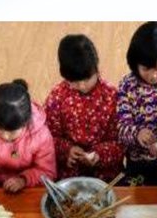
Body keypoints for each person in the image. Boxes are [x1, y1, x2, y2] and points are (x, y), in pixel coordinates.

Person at [44, 34, 123, 181]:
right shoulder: (56, 98)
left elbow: (120, 142)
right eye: (74, 81)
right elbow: (46, 138)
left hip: (106, 175)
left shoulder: (112, 96)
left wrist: (99, 155)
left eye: (87, 79)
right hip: (69, 175)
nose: (82, 86)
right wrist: (66, 151)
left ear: (96, 69)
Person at [116, 22, 157, 185]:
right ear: (135, 64)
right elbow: (121, 127)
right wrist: (136, 133)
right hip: (136, 162)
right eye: (146, 68)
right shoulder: (127, 85)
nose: (153, 76)